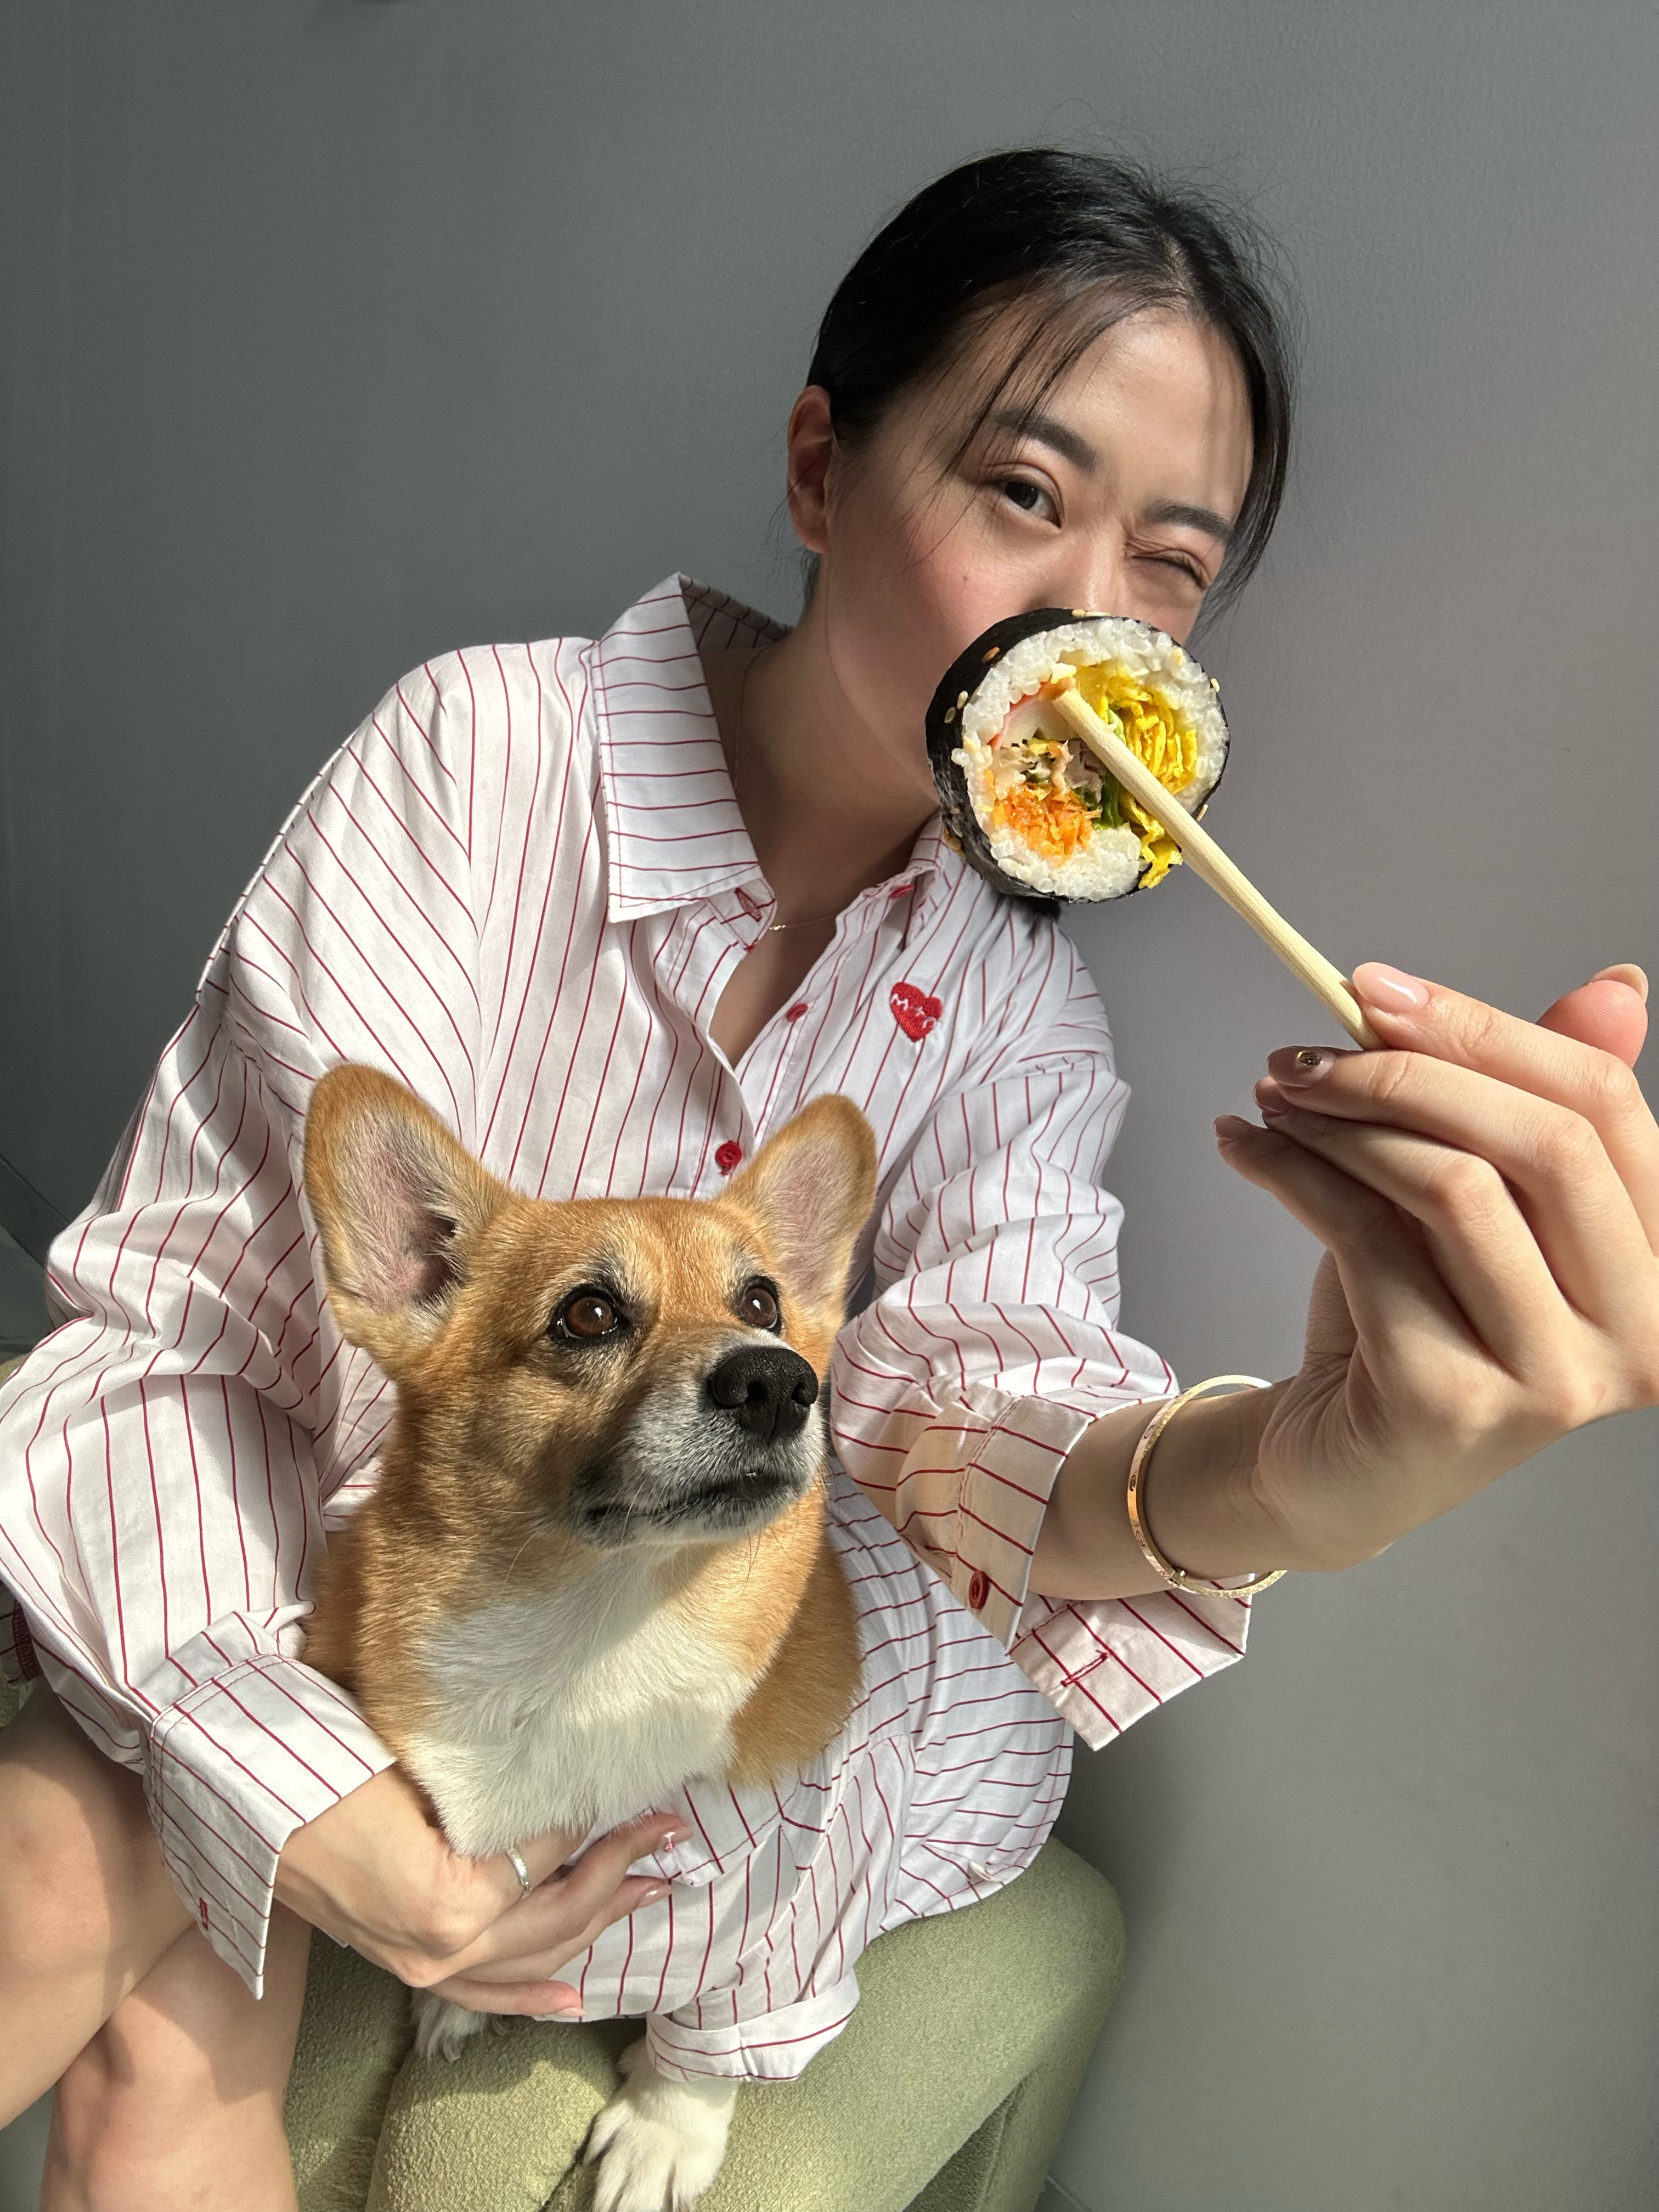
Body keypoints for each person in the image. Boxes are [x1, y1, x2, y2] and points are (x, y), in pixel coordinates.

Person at [1, 146, 1654, 2210]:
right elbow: (182, 1340)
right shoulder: (486, 767)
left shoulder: (1014, 1030)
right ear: (819, 465)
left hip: (608, 1698)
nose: (1084, 621)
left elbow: (980, 1420)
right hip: (287, 1590)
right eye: (1025, 494)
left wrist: (1320, 1469)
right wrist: (297, 1777)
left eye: (1171, 567)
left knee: (168, 2092)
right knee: (56, 1887)